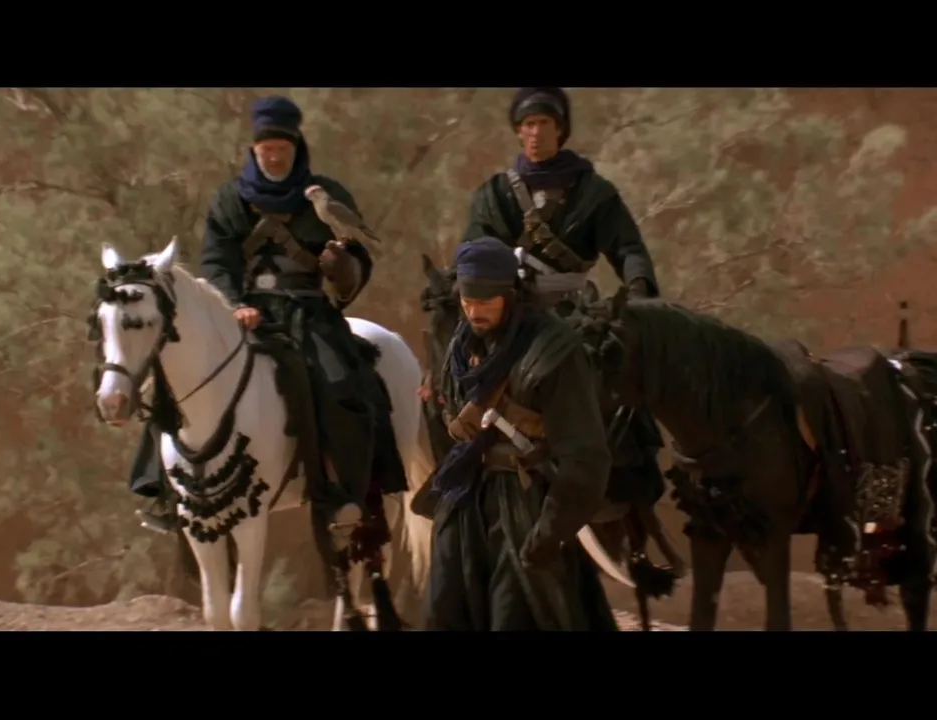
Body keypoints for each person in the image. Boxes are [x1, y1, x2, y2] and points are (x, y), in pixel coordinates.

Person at [128, 95, 407, 534]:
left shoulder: (328, 195)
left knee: (342, 386)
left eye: (282, 148)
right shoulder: (230, 200)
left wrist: (341, 267)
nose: (274, 156)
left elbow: (357, 262)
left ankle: (345, 496)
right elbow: (216, 262)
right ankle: (164, 491)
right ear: (254, 150)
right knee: (174, 381)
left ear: (296, 147)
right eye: (266, 149)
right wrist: (235, 305)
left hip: (309, 314)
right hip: (242, 314)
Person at [459, 86, 666, 510]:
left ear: (560, 129)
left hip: (573, 312)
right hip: (508, 315)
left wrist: (640, 289)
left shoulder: (593, 193)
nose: (535, 132)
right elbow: (473, 253)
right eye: (527, 124)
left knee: (617, 381)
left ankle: (624, 484)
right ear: (518, 132)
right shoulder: (495, 195)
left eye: (543, 123)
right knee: (458, 377)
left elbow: (628, 249)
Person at [422, 237, 618, 631]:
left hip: (525, 503)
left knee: (515, 617)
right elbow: (450, 429)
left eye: (485, 302)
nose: (474, 312)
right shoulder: (461, 348)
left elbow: (586, 456)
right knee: (443, 611)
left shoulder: (553, 350)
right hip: (465, 499)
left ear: (511, 295)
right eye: (467, 302)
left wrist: (550, 531)